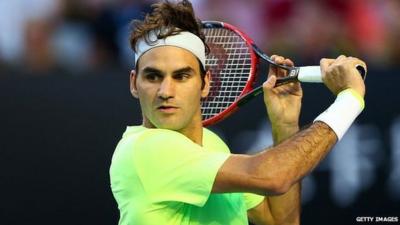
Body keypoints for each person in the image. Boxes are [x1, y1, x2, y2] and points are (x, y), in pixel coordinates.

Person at [109, 0, 367, 224]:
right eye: (153, 77)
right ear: (134, 83)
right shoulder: (143, 150)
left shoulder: (212, 145)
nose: (165, 90)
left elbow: (282, 220)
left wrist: (285, 124)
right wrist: (349, 100)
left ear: (205, 83)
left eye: (182, 76)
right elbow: (274, 177)